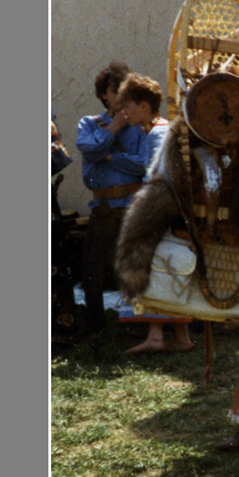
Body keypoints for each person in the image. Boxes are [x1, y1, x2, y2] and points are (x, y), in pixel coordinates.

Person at [113, 73, 195, 355]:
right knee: (171, 270)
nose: (124, 113)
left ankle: (156, 335)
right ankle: (179, 336)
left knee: (157, 268)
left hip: (164, 214)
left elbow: (158, 180)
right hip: (173, 215)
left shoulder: (156, 135)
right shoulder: (158, 130)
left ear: (144, 107)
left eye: (128, 107)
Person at [76, 61, 148, 333]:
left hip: (131, 207)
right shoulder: (90, 124)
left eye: (124, 91)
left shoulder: (140, 129)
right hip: (104, 208)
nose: (120, 97)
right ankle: (96, 327)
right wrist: (113, 129)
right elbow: (88, 149)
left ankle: (137, 324)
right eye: (114, 91)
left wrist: (110, 156)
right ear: (104, 94)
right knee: (93, 268)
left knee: (132, 268)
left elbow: (142, 165)